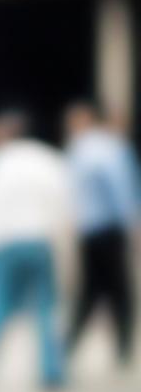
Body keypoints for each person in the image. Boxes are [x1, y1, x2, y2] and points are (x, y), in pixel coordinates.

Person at [0, 110, 75, 392]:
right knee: (46, 309)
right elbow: (65, 205)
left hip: (3, 240)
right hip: (40, 238)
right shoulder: (49, 159)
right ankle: (52, 373)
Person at [62, 100, 140, 366]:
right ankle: (123, 347)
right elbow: (122, 191)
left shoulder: (79, 149)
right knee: (118, 290)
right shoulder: (111, 149)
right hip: (109, 229)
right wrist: (133, 225)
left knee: (92, 289)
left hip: (89, 231)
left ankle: (69, 344)